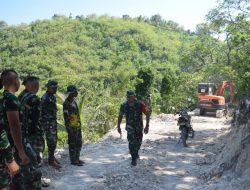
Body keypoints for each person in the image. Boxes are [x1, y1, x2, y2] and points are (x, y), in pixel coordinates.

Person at [0, 69, 33, 189]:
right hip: (13, 146)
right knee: (23, 177)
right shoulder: (11, 99)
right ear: (15, 81)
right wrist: (21, 151)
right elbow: (14, 126)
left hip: (7, 146)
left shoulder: (3, 98)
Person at [18, 76, 49, 187]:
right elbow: (35, 120)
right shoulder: (34, 98)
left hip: (22, 133)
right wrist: (32, 133)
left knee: (26, 160)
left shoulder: (21, 96)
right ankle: (35, 182)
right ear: (35, 86)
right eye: (37, 85)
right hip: (34, 134)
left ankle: (25, 180)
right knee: (36, 159)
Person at [117, 90, 150, 166]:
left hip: (139, 127)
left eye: (130, 97)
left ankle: (136, 153)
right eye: (128, 97)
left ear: (134, 96)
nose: (129, 98)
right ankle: (133, 158)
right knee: (131, 142)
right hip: (130, 127)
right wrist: (118, 126)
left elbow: (147, 114)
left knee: (138, 142)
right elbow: (120, 115)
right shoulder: (124, 105)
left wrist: (147, 126)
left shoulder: (140, 104)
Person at [40, 80, 61, 169]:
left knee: (54, 140)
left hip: (52, 121)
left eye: (56, 88)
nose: (55, 89)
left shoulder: (52, 97)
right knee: (51, 141)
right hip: (47, 123)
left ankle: (51, 157)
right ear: (49, 88)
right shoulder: (45, 98)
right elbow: (40, 110)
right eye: (54, 88)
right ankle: (50, 161)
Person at [63, 85, 84, 166]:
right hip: (71, 126)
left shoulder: (73, 101)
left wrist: (79, 124)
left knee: (79, 142)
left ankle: (77, 158)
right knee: (72, 143)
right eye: (75, 91)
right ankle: (73, 160)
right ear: (71, 93)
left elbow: (77, 114)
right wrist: (69, 128)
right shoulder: (66, 103)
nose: (77, 93)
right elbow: (66, 117)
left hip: (77, 125)